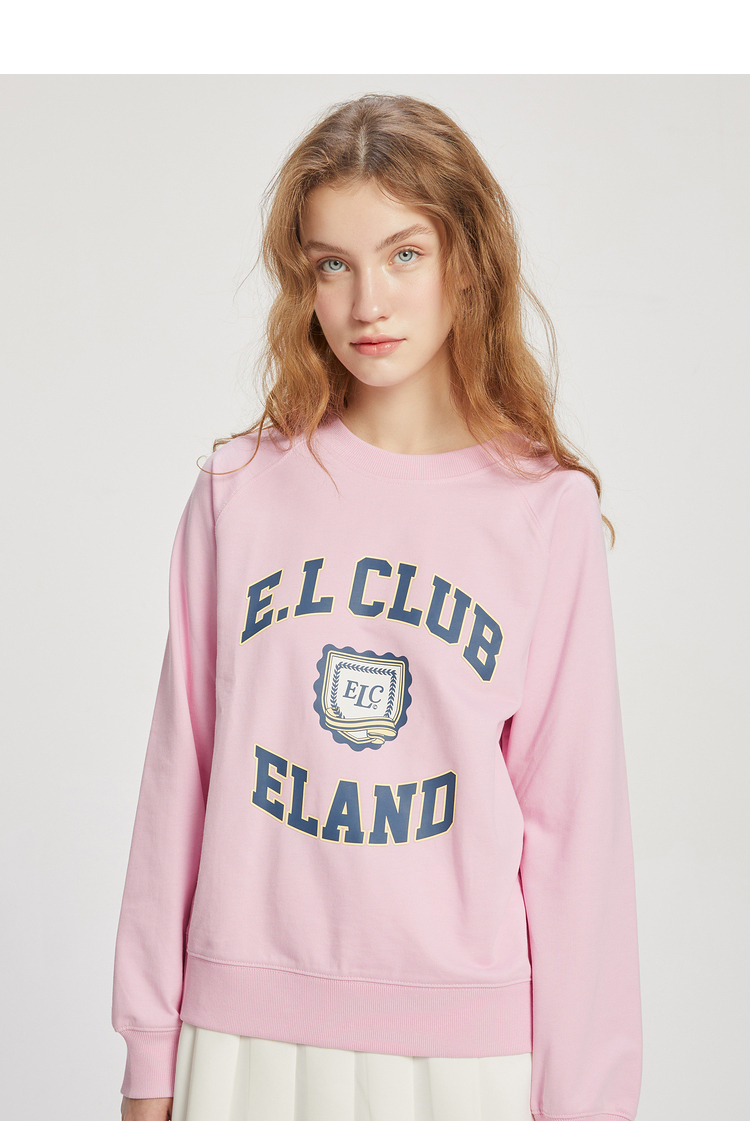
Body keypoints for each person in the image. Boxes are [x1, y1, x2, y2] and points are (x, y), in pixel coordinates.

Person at [112, 92, 642, 1121]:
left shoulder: (545, 512)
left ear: (466, 261)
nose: (369, 303)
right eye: (333, 263)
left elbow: (577, 833)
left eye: (404, 254)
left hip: (464, 1058)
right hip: (241, 1039)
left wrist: (586, 1102)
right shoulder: (238, 492)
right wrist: (149, 1057)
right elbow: (180, 779)